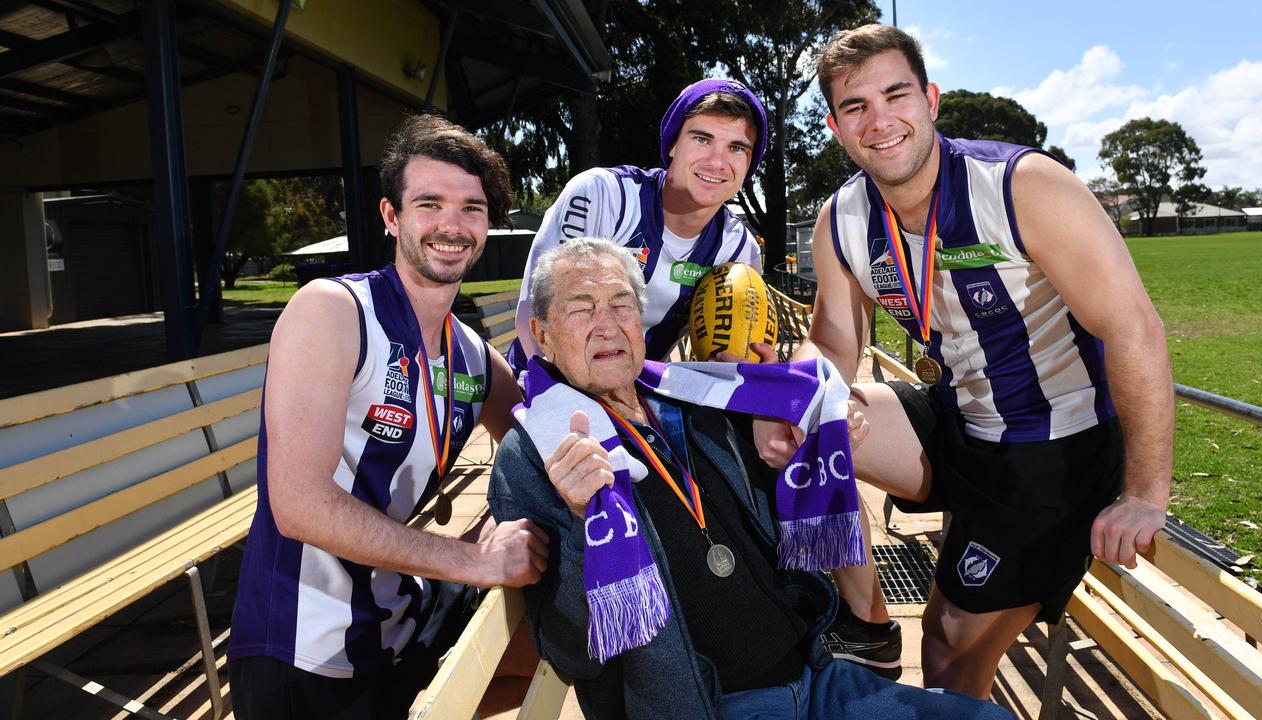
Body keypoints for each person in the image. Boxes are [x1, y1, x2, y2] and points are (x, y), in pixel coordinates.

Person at [763, 24, 1174, 698]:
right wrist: (811, 394)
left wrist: (1144, 493)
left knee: (951, 646)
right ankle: (865, 624)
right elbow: (835, 343)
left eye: (895, 95)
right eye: (855, 106)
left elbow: (1136, 331)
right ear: (836, 127)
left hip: (1053, 446)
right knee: (794, 425)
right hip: (960, 416)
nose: (880, 120)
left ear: (930, 99)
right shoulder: (841, 218)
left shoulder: (1024, 186)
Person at [487, 237, 1014, 719]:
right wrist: (583, 524)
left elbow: (773, 517)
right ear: (543, 336)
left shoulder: (696, 399)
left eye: (621, 304)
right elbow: (570, 648)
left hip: (816, 675)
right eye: (581, 309)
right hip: (712, 705)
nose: (607, 323)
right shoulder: (538, 454)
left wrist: (807, 433)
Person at [227, 114, 550, 719]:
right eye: (429, 204)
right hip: (304, 652)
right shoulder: (332, 311)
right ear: (391, 216)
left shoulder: (472, 355)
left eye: (472, 208)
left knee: (544, 617)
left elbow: (541, 439)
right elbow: (297, 502)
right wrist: (476, 559)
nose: (451, 225)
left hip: (399, 620)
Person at [509, 78, 767, 367]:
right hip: (542, 380)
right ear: (672, 145)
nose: (717, 162)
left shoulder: (739, 249)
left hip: (636, 392)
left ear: (749, 164)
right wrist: (558, 394)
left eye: (736, 148)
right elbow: (539, 313)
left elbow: (733, 351)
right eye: (702, 139)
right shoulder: (603, 196)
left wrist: (749, 371)